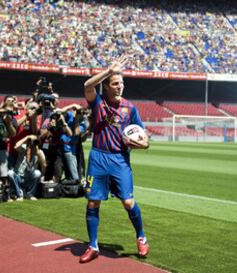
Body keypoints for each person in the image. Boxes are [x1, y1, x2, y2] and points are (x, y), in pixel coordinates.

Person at [80, 56, 150, 263]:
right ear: (107, 86)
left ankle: (141, 237)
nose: (120, 87)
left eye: (121, 83)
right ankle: (93, 246)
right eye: (115, 83)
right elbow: (87, 85)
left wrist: (143, 144)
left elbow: (144, 137)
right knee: (93, 203)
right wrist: (109, 70)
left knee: (128, 202)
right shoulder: (98, 103)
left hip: (120, 160)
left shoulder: (130, 108)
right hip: (98, 158)